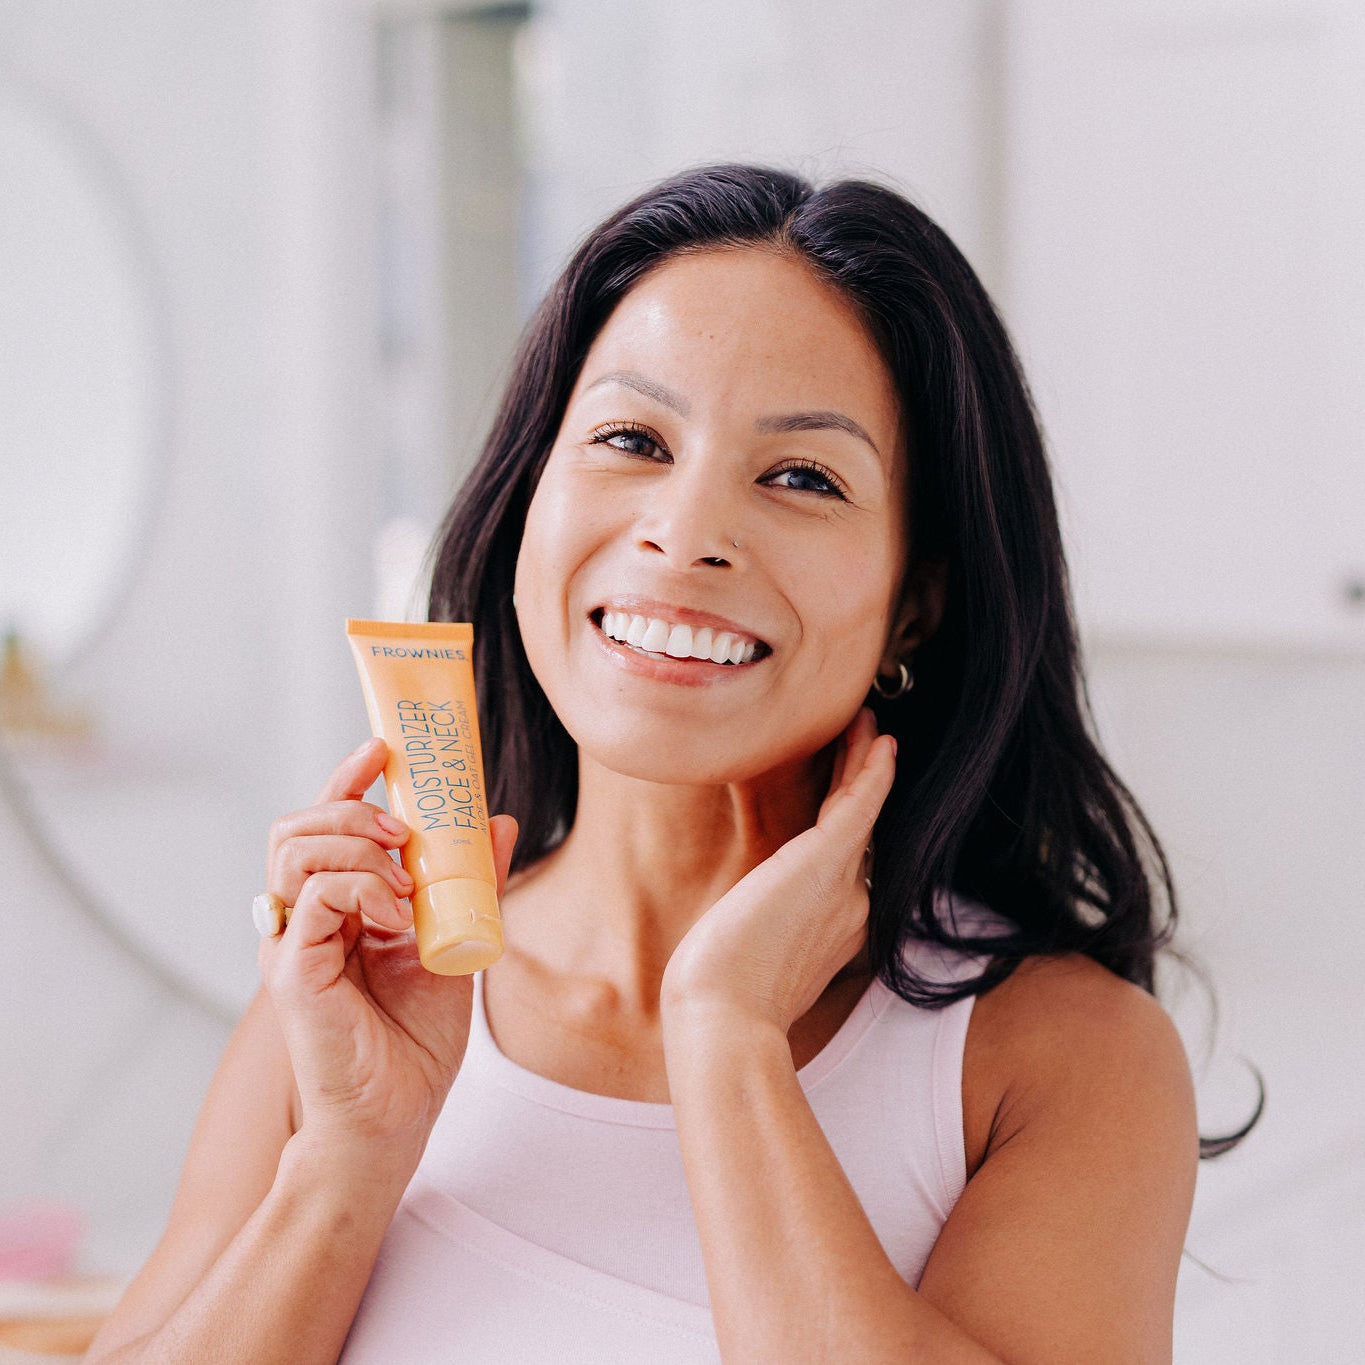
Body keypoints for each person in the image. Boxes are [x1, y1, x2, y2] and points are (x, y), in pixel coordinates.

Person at [88, 164, 1205, 1363]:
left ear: (915, 605)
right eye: (631, 439)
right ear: (530, 502)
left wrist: (726, 1040)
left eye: (801, 477)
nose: (684, 532)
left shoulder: (1055, 1060)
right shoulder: (355, 1006)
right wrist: (344, 1168)